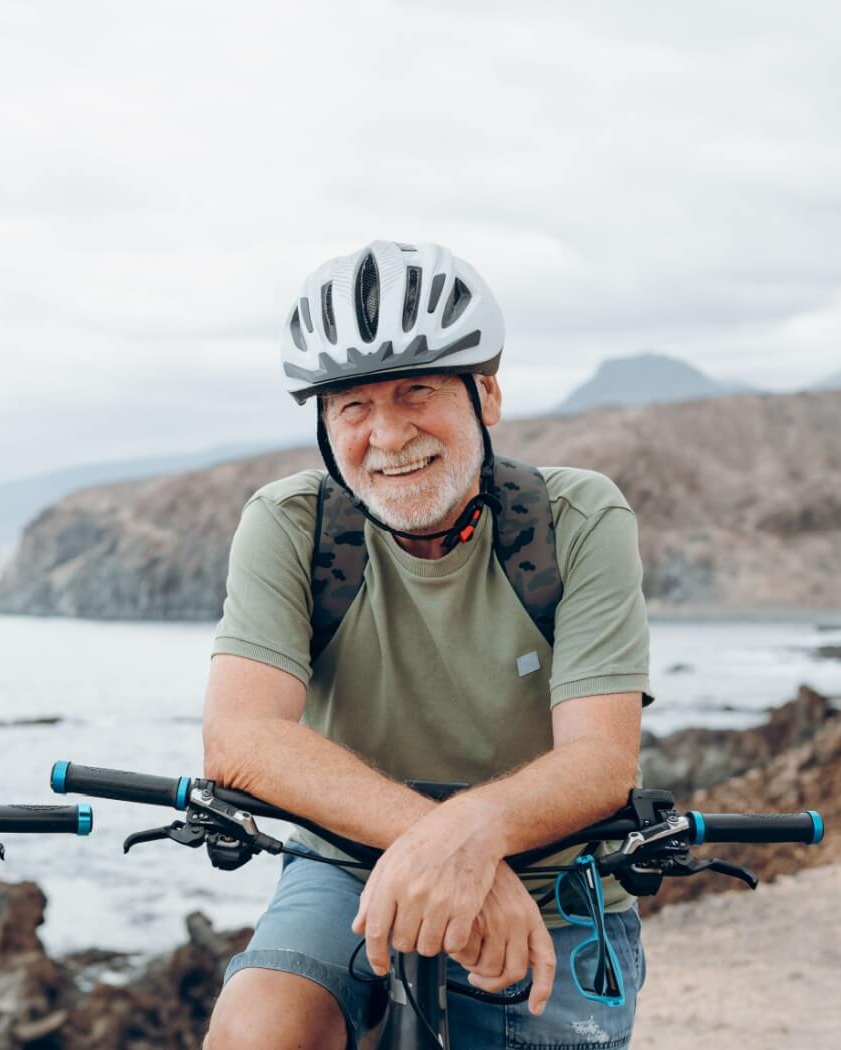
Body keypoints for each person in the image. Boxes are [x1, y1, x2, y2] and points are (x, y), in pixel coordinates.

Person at [202, 242, 651, 1049]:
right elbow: (241, 738)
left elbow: (602, 761)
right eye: (353, 407)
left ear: (487, 393)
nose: (388, 433)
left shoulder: (577, 517)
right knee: (257, 1029)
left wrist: (472, 838)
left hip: (551, 886)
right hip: (345, 868)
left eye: (417, 391)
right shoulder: (291, 523)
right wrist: (445, 847)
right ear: (324, 423)